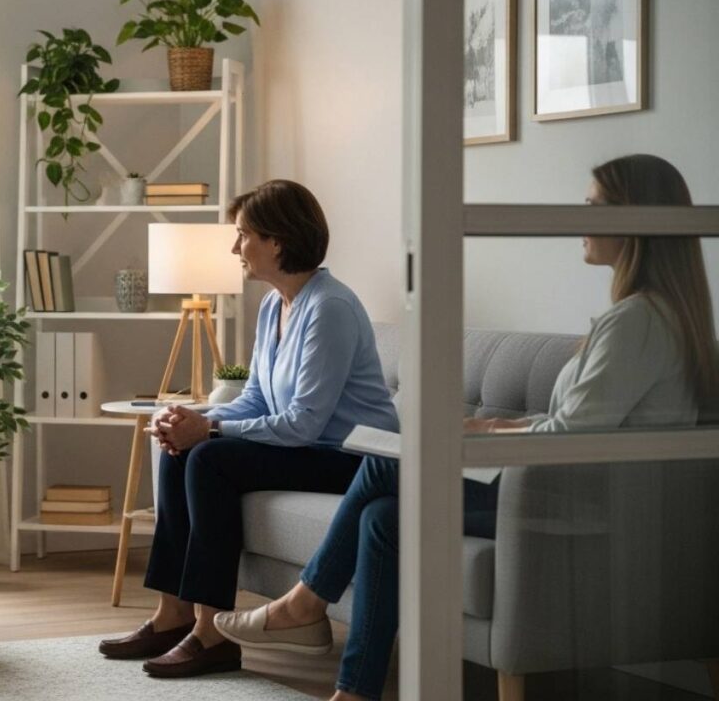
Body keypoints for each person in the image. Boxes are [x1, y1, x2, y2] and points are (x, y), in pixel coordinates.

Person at [214, 154, 719, 701]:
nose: (580, 218)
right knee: (385, 516)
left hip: (571, 499)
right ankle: (354, 691)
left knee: (387, 464)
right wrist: (498, 422)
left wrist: (492, 436)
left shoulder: (637, 321)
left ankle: (305, 602)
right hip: (568, 486)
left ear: (636, 221)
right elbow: (580, 422)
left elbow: (574, 440)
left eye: (594, 206)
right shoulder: (649, 314)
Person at [97, 180, 400, 678]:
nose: (235, 248)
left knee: (210, 457)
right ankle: (172, 614)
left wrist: (210, 430)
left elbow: (303, 424)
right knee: (182, 449)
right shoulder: (274, 305)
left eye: (243, 235)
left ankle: (211, 631)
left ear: (276, 241)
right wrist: (192, 420)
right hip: (308, 449)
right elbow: (257, 397)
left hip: (351, 459)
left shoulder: (330, 308)